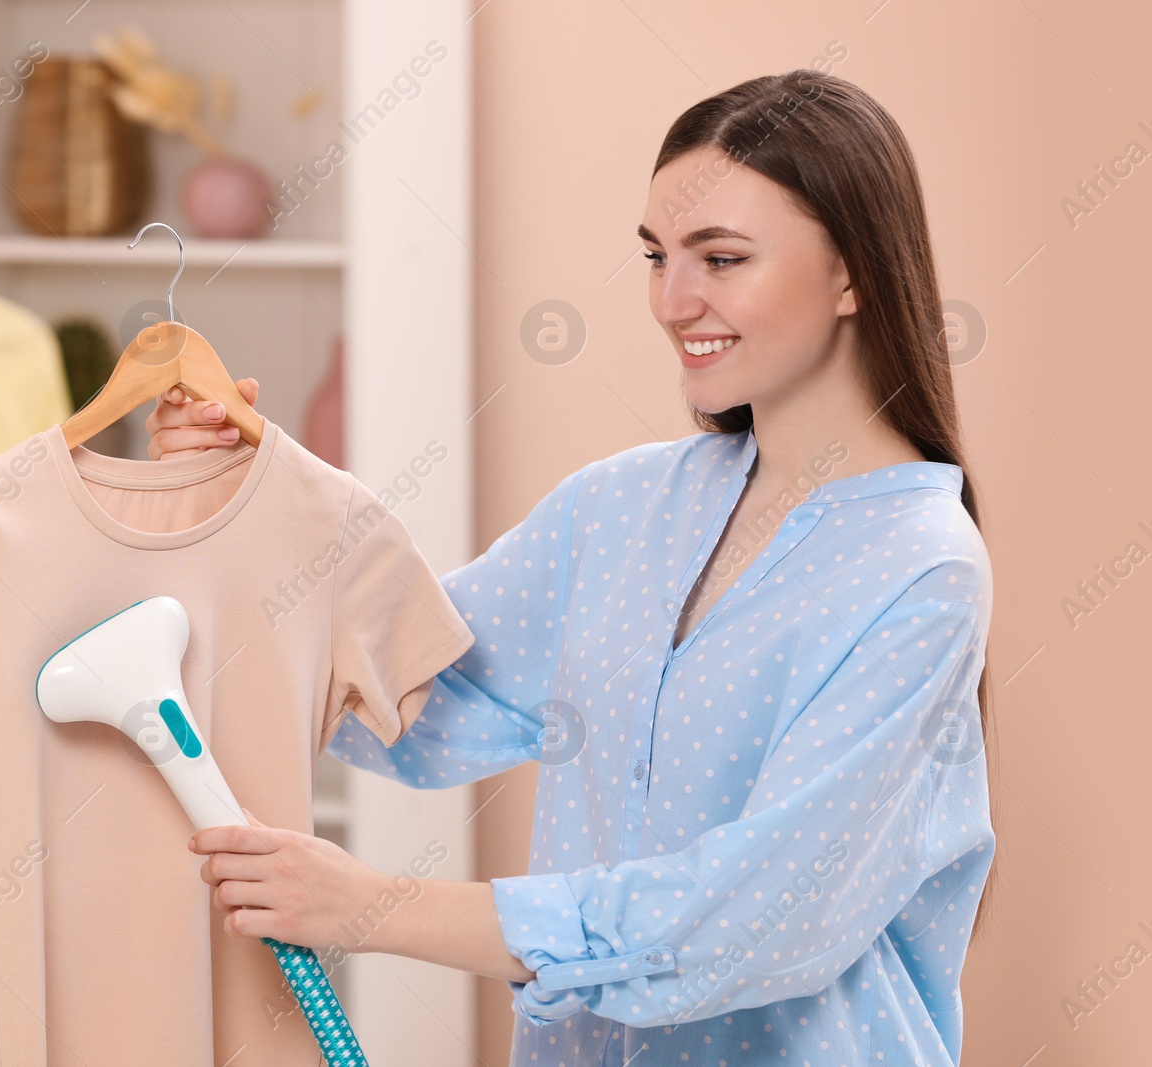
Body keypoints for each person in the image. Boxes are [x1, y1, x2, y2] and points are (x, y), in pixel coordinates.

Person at [153, 69, 997, 1066]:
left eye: (720, 257)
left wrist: (375, 906)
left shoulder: (921, 572)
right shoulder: (620, 509)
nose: (674, 300)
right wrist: (232, 507)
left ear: (852, 271)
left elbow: (758, 916)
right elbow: (410, 694)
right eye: (656, 256)